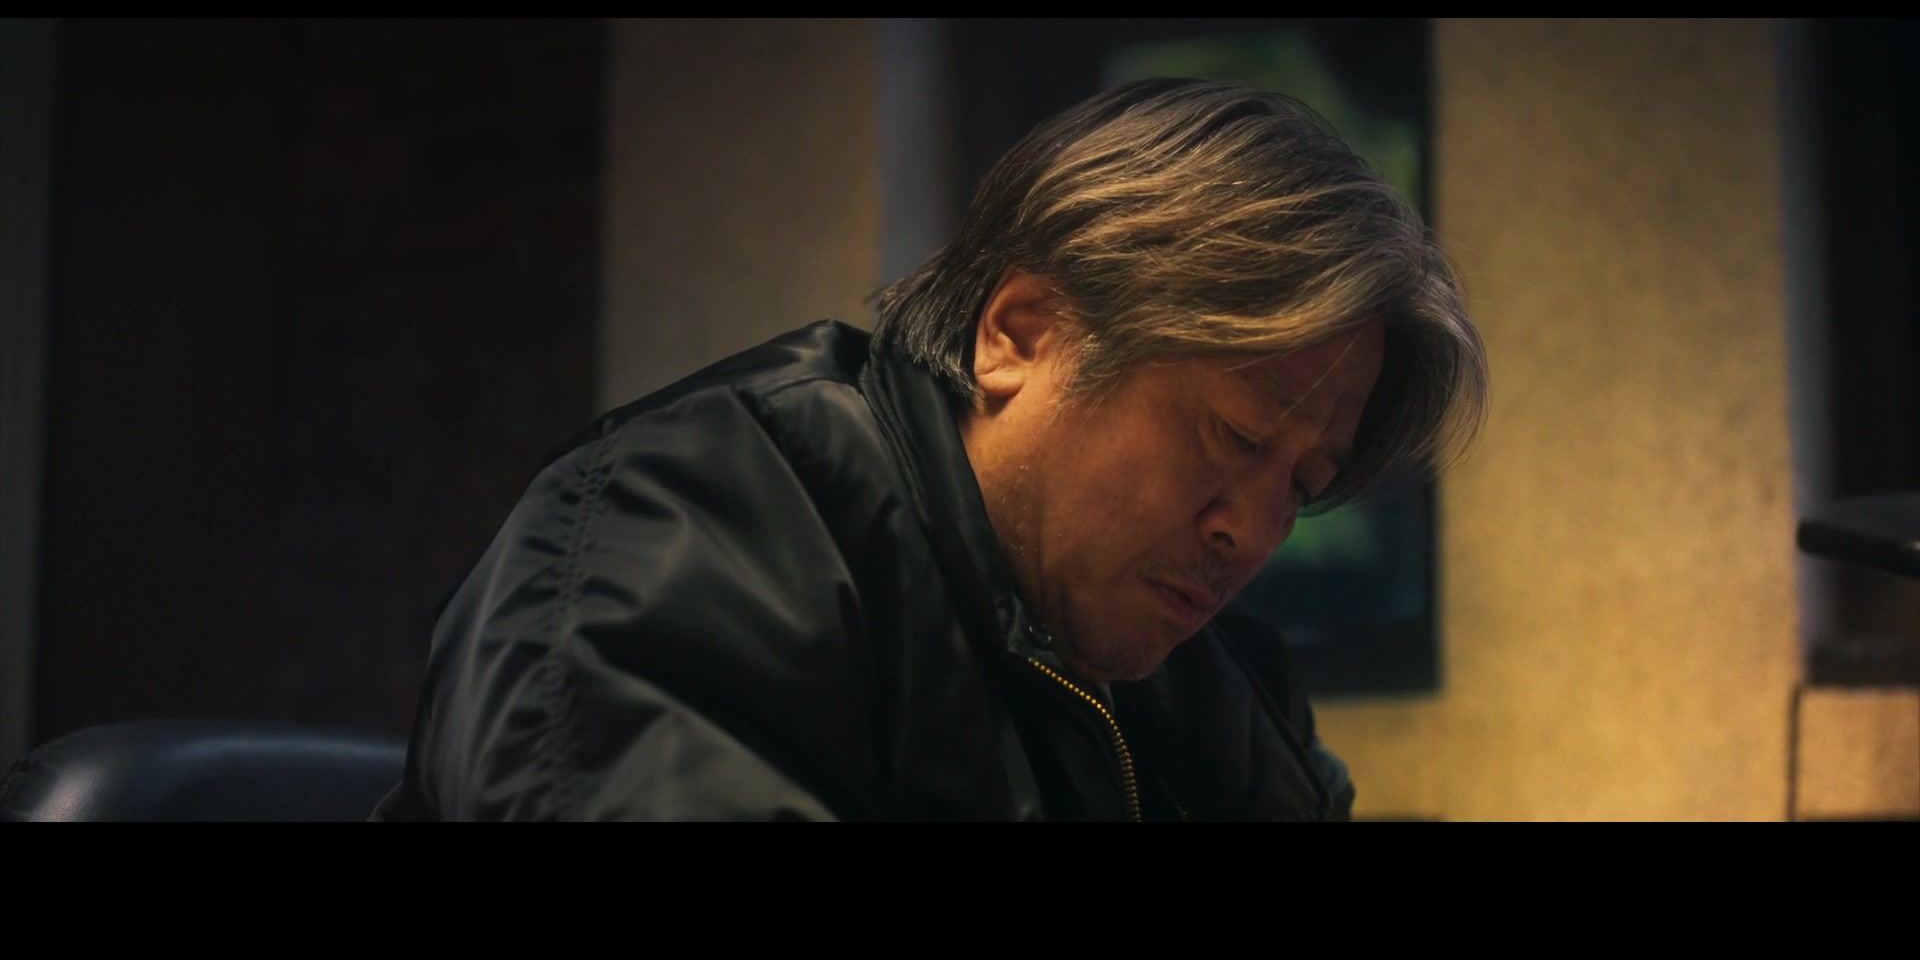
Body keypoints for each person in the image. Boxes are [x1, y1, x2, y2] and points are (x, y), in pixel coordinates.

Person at [371, 76, 1488, 822]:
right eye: (1233, 435)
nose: (1252, 530)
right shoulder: (682, 534)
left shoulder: (1220, 700)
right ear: (1020, 334)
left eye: (1302, 483)